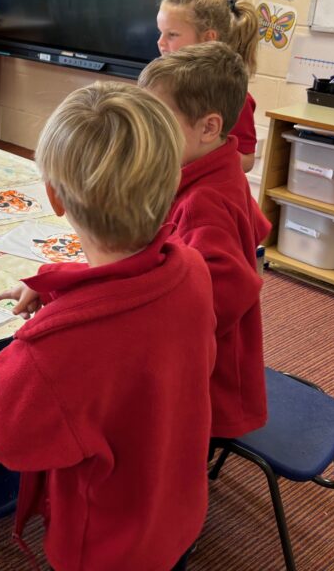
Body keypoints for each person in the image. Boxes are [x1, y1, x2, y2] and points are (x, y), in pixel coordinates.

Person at [0, 82, 216, 571]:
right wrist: (60, 286)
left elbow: (5, 438)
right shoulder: (191, 268)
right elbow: (129, 308)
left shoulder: (48, 352)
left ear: (54, 198)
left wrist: (49, 326)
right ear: (173, 182)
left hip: (103, 549)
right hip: (178, 510)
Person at [138, 42, 272, 442]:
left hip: (210, 380)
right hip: (218, 362)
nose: (148, 132)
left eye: (158, 120)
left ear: (209, 127)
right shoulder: (221, 169)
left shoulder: (203, 203)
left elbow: (217, 299)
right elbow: (256, 228)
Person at [157, 0, 260, 172]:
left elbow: (247, 160)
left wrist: (204, 152)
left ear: (208, 39)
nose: (161, 43)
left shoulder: (232, 95)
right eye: (160, 33)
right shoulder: (164, 86)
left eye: (172, 35)